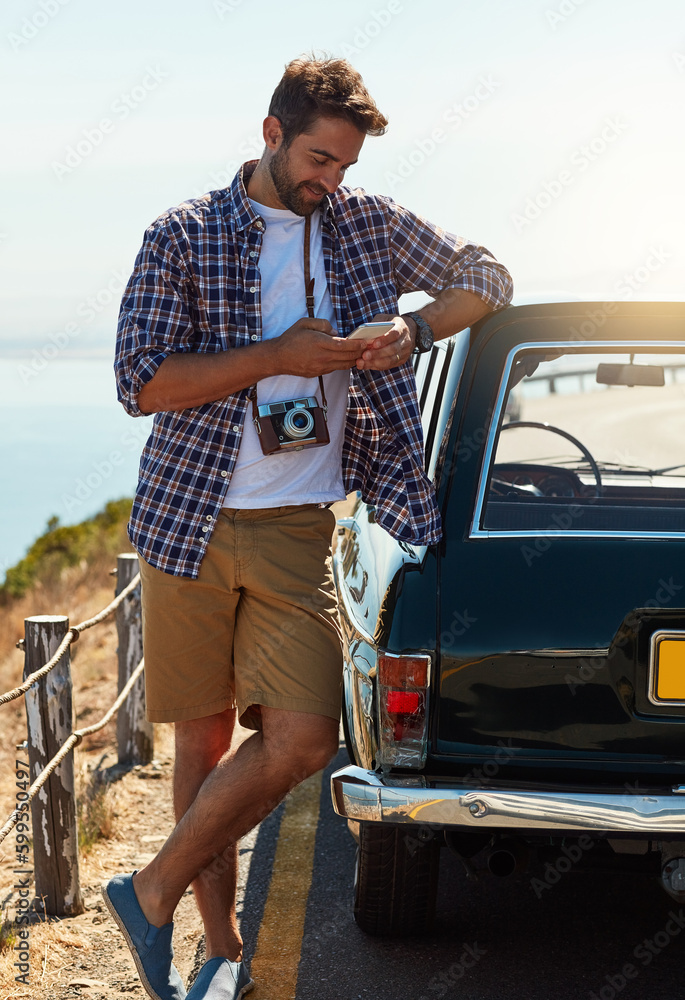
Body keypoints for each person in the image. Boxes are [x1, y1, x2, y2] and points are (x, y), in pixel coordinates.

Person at [104, 54, 513, 1000]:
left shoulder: (365, 224)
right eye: (321, 159)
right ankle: (217, 954)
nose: (332, 181)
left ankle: (150, 889)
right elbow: (143, 382)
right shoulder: (182, 234)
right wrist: (274, 358)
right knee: (202, 748)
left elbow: (485, 272)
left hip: (297, 526)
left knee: (299, 740)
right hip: (188, 523)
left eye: (346, 166)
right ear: (271, 134)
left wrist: (411, 331)